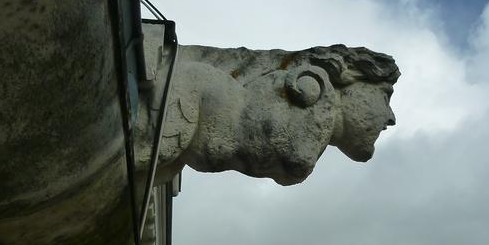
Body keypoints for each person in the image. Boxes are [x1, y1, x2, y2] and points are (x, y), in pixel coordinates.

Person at [138, 44, 399, 186]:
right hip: (187, 94)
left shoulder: (314, 99)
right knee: (150, 156)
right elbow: (295, 155)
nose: (390, 118)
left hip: (189, 142)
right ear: (353, 81)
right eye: (385, 97)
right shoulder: (315, 91)